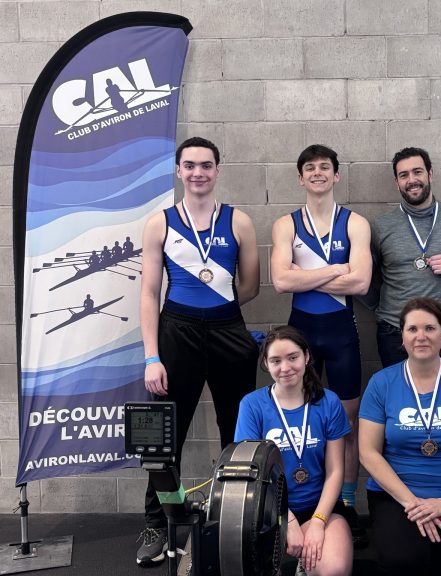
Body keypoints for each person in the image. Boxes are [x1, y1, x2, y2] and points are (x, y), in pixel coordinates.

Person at [137, 137, 261, 565]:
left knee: (237, 433)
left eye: (206, 165)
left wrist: (220, 316)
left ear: (218, 170)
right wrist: (153, 356)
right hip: (177, 332)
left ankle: (235, 517)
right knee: (164, 440)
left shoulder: (239, 222)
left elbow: (250, 287)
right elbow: (149, 292)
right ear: (178, 170)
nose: (198, 173)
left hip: (228, 329)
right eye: (189, 165)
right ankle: (159, 521)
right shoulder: (160, 223)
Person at [271, 144, 372, 545]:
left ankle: (345, 503)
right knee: (302, 422)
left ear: (336, 175)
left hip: (341, 331)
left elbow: (362, 283)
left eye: (324, 167)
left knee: (345, 428)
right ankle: (303, 502)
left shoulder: (356, 223)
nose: (317, 173)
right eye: (310, 168)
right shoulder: (286, 224)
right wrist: (336, 270)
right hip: (302, 333)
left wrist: (304, 273)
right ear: (300, 177)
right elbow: (280, 282)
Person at [359, 298, 441, 575]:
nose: (421, 336)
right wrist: (413, 504)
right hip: (398, 497)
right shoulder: (381, 383)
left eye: (430, 329)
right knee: (404, 561)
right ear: (403, 336)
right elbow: (368, 453)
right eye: (413, 329)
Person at [235, 326, 353, 576]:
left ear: (307, 357)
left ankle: (308, 565)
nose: (285, 367)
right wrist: (285, 520)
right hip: (268, 510)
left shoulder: (328, 402)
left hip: (319, 507)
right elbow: (253, 477)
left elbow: (335, 471)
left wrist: (319, 523)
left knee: (334, 569)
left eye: (293, 357)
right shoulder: (252, 405)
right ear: (266, 364)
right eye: (276, 360)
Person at [365, 147, 441, 368]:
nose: (411, 180)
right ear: (397, 182)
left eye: (417, 172)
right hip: (395, 331)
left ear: (430, 174)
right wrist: (381, 309)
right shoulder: (381, 227)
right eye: (404, 175)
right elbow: (363, 278)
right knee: (399, 399)